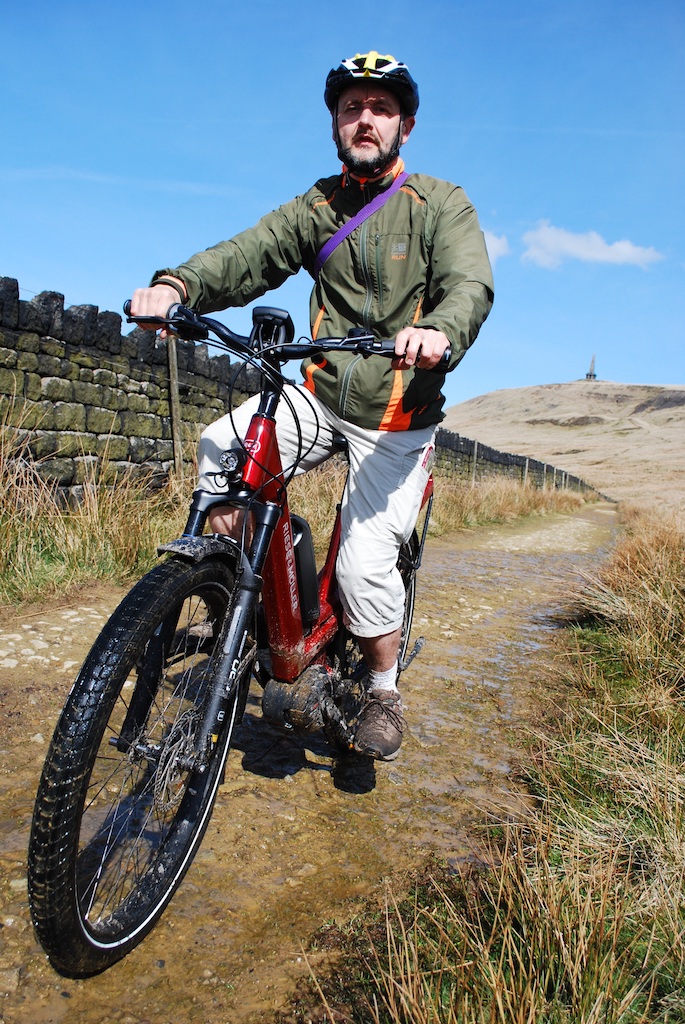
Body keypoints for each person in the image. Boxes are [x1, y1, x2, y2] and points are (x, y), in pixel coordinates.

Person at [131, 51, 494, 761]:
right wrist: (178, 287)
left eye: (381, 108)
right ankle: (248, 595)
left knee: (361, 568)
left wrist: (439, 332)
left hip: (397, 412)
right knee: (221, 445)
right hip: (322, 392)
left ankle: (382, 688)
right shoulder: (317, 207)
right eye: (351, 107)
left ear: (405, 126)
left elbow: (468, 285)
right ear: (335, 123)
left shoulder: (440, 204)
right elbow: (248, 254)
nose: (365, 119)